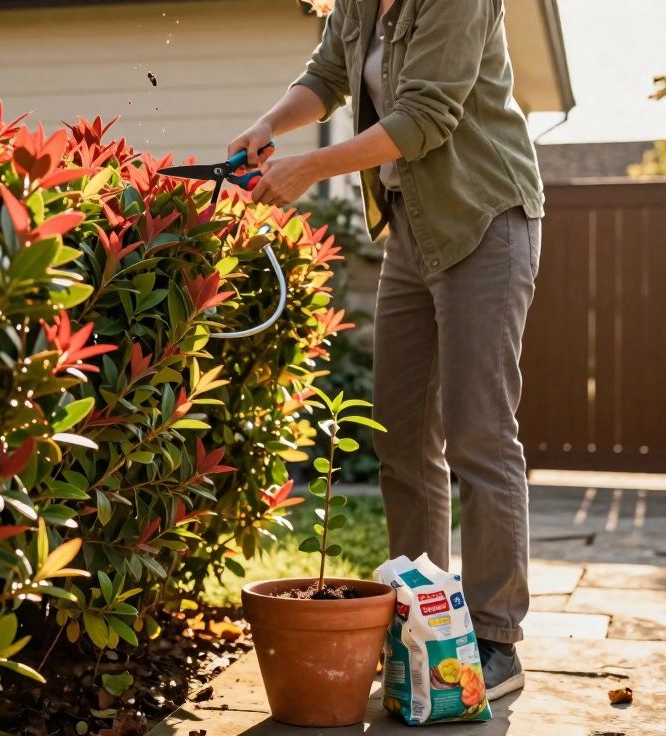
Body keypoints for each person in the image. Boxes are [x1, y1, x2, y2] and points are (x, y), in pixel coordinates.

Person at [229, 0, 543, 700]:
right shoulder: (362, 5)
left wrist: (309, 166)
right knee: (401, 437)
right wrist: (268, 126)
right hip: (411, 230)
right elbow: (327, 75)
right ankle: (423, 622)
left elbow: (426, 118)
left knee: (478, 434)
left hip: (484, 219)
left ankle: (495, 639)